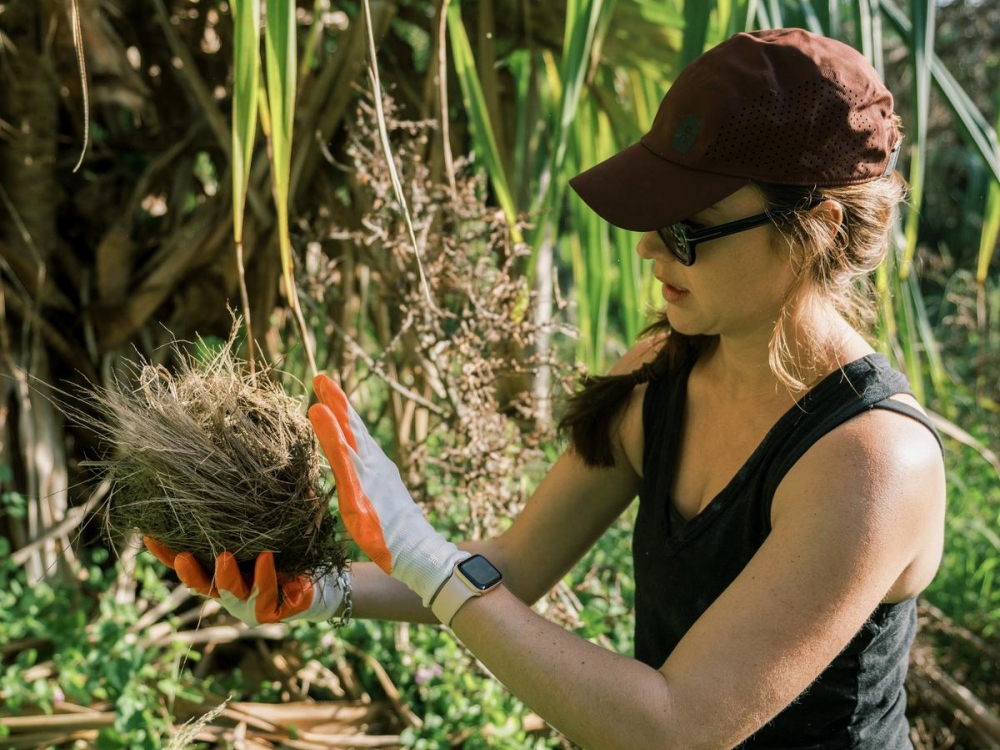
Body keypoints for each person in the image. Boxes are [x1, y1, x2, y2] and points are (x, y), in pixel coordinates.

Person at [145, 27, 947, 749]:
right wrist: (313, 593)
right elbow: (512, 570)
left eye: (686, 227)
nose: (647, 252)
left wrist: (422, 552)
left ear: (819, 229)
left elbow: (677, 727)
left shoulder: (872, 462)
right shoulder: (665, 369)